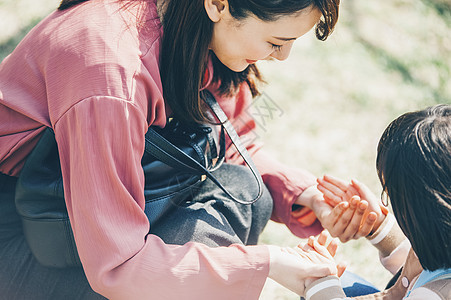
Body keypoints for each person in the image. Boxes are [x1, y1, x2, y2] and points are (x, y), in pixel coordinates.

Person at [0, 0, 375, 299]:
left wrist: (307, 196)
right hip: (23, 236)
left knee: (247, 193)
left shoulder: (189, 25)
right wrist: (266, 263)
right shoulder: (112, 75)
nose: (283, 57)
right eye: (276, 42)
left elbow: (228, 141)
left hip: (95, 219)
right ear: (218, 4)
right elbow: (117, 267)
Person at [302, 104, 451, 299]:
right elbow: (414, 272)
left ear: (426, 210)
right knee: (342, 284)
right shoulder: (440, 245)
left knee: (324, 284)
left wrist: (320, 287)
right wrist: (377, 225)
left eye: (393, 197)